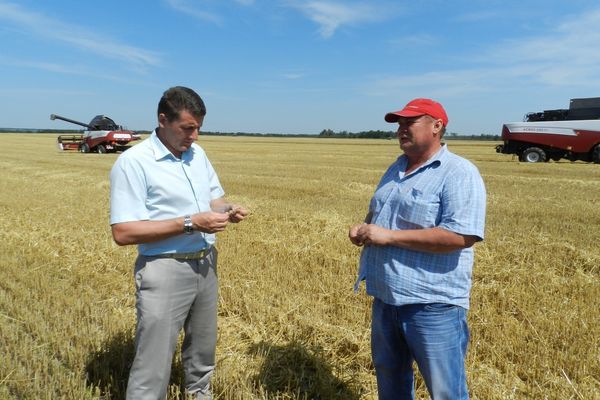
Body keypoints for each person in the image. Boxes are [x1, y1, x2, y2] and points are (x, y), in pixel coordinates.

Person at [109, 86, 248, 400]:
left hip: (206, 263)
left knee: (203, 352)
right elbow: (123, 232)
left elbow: (214, 200)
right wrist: (191, 223)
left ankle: (200, 394)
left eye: (198, 128)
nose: (195, 136)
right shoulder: (134, 163)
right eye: (188, 128)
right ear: (163, 120)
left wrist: (228, 209)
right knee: (153, 363)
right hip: (164, 267)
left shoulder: (197, 155)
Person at [349, 98, 486, 399]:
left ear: (437, 126)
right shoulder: (396, 168)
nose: (401, 129)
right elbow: (379, 216)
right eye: (399, 124)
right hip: (386, 298)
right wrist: (364, 228)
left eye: (409, 122)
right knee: (391, 383)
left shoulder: (458, 172)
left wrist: (388, 237)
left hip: (432, 305)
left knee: (446, 391)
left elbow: (462, 236)